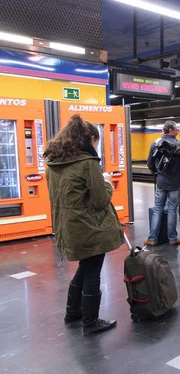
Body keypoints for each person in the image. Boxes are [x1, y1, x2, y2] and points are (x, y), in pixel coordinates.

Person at [45, 114, 123, 335]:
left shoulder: (53, 161)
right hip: (90, 226)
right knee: (92, 272)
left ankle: (72, 312)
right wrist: (108, 183)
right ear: (89, 138)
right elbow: (100, 201)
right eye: (96, 141)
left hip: (67, 225)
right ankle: (90, 322)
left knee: (84, 267)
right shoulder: (88, 164)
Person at [145, 120, 180, 246]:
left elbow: (149, 163)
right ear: (171, 130)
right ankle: (172, 238)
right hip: (175, 182)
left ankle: (152, 239)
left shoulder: (155, 143)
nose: (178, 131)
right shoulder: (179, 144)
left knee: (158, 209)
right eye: (176, 129)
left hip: (161, 181)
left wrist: (157, 172)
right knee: (172, 210)